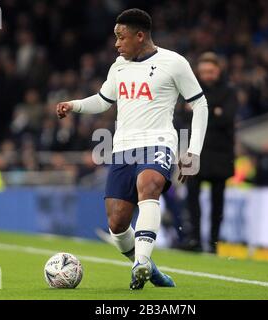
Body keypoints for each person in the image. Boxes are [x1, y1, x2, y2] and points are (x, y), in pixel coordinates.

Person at [56, 8, 208, 290]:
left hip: (159, 142)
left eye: (121, 37)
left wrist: (193, 151)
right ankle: (150, 270)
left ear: (140, 36)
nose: (116, 43)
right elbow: (103, 100)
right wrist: (74, 105)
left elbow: (199, 103)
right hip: (123, 147)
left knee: (148, 185)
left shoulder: (173, 63)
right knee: (117, 223)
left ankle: (141, 261)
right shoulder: (118, 66)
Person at [183, 52, 238, 253]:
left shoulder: (229, 90)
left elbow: (227, 117)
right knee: (192, 199)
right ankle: (194, 239)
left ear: (218, 71)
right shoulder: (191, 89)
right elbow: (181, 115)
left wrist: (200, 111)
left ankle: (214, 242)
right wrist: (215, 111)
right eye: (204, 71)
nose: (207, 75)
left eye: (211, 71)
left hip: (221, 154)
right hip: (195, 152)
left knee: (217, 202)